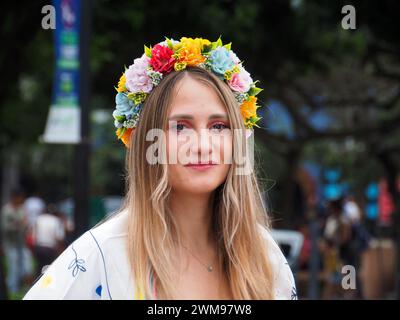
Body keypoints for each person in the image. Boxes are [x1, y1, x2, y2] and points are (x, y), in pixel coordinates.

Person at [24, 37, 297, 300]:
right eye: (180, 127)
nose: (202, 145)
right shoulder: (102, 254)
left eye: (218, 126)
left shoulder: (263, 255)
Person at [1, 188, 29, 295]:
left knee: (26, 266)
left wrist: (24, 225)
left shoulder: (22, 209)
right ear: (14, 197)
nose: (21, 199)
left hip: (22, 244)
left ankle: (23, 288)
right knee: (13, 267)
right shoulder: (7, 210)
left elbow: (25, 223)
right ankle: (12, 290)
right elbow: (4, 227)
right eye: (20, 197)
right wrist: (17, 225)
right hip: (11, 244)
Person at [31, 204, 65, 277]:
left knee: (39, 267)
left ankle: (36, 284)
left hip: (39, 247)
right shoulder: (56, 220)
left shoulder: (39, 218)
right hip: (50, 248)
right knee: (48, 268)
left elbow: (33, 235)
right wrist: (61, 250)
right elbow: (59, 237)